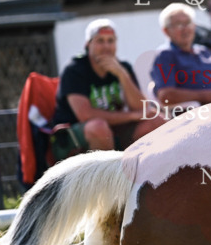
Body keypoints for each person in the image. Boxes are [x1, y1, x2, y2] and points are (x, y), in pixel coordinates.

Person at [53, 19, 166, 151]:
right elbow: (85, 115)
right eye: (100, 41)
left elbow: (141, 108)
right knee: (99, 128)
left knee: (157, 120)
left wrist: (122, 75)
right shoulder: (74, 70)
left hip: (115, 130)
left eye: (110, 41)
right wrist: (131, 116)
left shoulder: (123, 67)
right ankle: (107, 172)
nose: (106, 46)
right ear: (88, 45)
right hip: (73, 138)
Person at [150, 3, 211, 110]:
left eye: (188, 23)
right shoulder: (165, 55)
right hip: (201, 114)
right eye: (178, 24)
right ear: (166, 31)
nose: (185, 28)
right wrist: (209, 96)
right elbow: (166, 95)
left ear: (194, 26)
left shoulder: (204, 51)